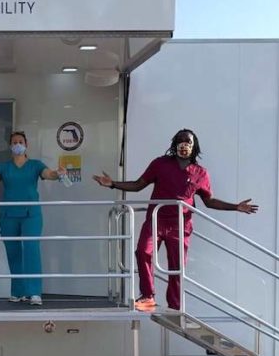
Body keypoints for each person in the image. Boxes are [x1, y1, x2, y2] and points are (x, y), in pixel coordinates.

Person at [93, 129, 258, 311]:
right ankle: (148, 296)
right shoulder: (160, 164)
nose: (184, 144)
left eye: (187, 141)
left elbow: (209, 201)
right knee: (142, 252)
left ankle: (175, 305)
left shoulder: (200, 173)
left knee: (177, 266)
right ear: (174, 144)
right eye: (180, 141)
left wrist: (235, 206)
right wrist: (113, 184)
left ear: (194, 146)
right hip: (156, 220)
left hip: (180, 225)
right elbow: (138, 185)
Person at [0, 131, 66, 306]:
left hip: (31, 214)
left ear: (26, 145)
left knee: (31, 249)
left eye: (20, 141)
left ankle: (34, 292)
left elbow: (48, 174)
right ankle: (17, 291)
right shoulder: (4, 166)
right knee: (13, 253)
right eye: (14, 142)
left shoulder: (35, 165)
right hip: (9, 215)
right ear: (10, 146)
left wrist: (58, 173)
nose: (17, 144)